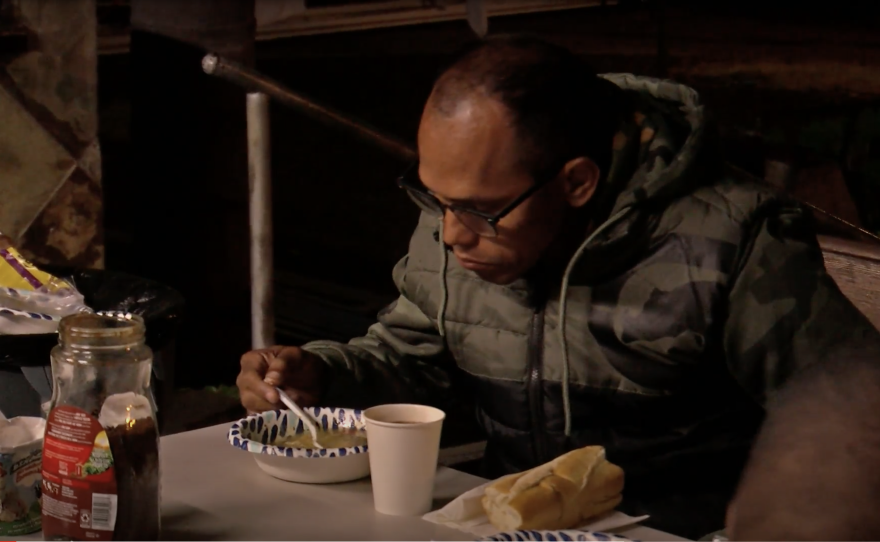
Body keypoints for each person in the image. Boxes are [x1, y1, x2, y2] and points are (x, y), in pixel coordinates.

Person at [237, 35, 880, 539]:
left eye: (481, 210)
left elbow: (854, 425)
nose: (453, 234)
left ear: (576, 181)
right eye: (436, 199)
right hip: (507, 526)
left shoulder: (730, 242)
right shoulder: (461, 216)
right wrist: (321, 376)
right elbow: (411, 362)